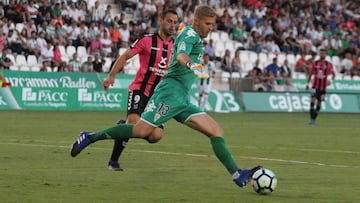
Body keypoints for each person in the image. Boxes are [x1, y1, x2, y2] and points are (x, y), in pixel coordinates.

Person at [70, 5, 260, 188]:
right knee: (140, 131)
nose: (211, 28)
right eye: (208, 24)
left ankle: (238, 175)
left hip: (182, 99)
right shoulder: (189, 34)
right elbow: (181, 55)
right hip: (169, 94)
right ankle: (90, 137)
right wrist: (192, 65)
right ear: (196, 21)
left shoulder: (194, 37)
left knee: (215, 131)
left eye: (212, 24)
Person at [104, 9, 178, 171]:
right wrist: (111, 76)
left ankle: (122, 127)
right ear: (161, 20)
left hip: (157, 97)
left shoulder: (176, 47)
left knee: (156, 136)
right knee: (134, 123)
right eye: (169, 21)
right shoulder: (146, 40)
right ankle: (113, 161)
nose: (172, 25)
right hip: (140, 90)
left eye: (175, 22)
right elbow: (124, 56)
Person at [306, 49, 335, 125]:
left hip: (323, 87)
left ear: (325, 55)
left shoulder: (329, 64)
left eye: (323, 53)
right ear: (319, 54)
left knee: (319, 102)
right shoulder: (315, 63)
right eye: (321, 53)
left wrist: (330, 81)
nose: (322, 54)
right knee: (312, 100)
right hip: (314, 86)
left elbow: (333, 74)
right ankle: (311, 119)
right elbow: (310, 74)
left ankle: (313, 119)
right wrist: (307, 84)